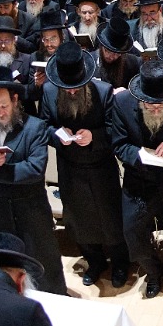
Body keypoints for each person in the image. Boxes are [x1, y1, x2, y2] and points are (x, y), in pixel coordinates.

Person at [0, 65, 65, 293]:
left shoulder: (35, 127)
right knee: (7, 263)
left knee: (44, 260)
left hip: (30, 209)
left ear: (14, 100)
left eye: (3, 106)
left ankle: (55, 297)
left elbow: (35, 168)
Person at [41, 41, 128, 288]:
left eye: (76, 88)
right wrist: (57, 135)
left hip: (101, 167)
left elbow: (115, 131)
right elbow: (44, 126)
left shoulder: (103, 92)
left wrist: (94, 137)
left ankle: (120, 263)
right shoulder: (49, 91)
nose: (71, 93)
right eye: (66, 89)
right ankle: (94, 261)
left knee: (110, 219)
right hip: (70, 168)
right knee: (79, 220)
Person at [109, 60, 163, 297]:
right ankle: (154, 272)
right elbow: (119, 144)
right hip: (139, 178)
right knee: (132, 231)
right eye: (150, 105)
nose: (156, 110)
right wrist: (140, 156)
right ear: (140, 98)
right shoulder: (122, 103)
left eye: (161, 105)